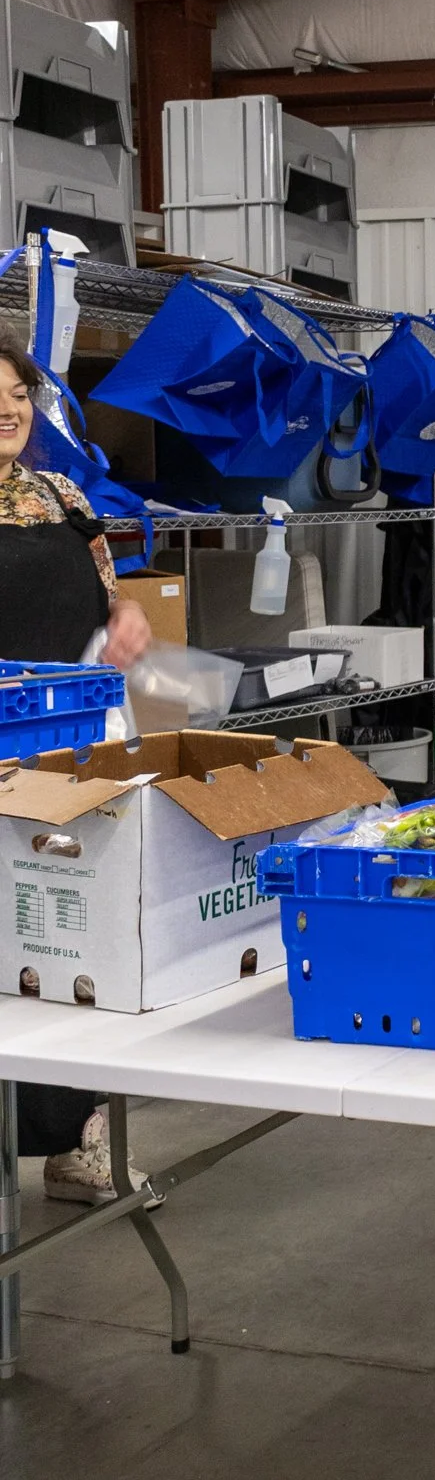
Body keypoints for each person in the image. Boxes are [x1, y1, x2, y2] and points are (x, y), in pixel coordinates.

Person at [0, 330, 153, 1203]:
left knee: (66, 944)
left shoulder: (60, 496)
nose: (10, 407)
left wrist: (125, 622)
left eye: (19, 390)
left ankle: (79, 1141)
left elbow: (110, 596)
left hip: (62, 760)